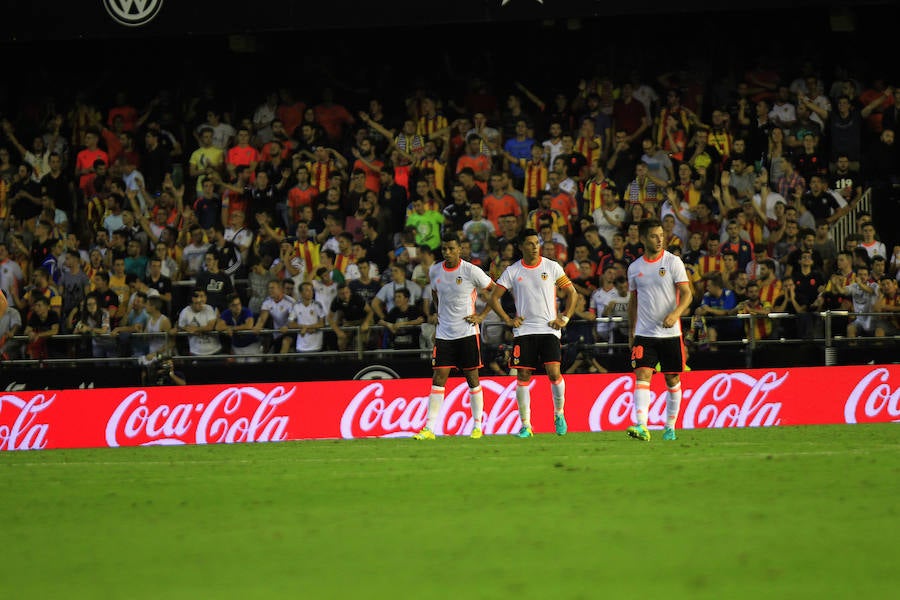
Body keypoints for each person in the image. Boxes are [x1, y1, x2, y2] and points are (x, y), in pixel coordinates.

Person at [486, 229, 577, 437]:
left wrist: (565, 318)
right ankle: (526, 425)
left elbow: (572, 293)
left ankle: (559, 414)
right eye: (530, 243)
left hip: (549, 329)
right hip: (524, 330)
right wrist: (508, 320)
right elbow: (493, 298)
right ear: (521, 246)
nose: (535, 246)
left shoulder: (551, 267)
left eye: (537, 243)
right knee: (523, 376)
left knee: (554, 374)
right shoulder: (513, 271)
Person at [412, 235, 496, 440]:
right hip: (444, 334)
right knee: (439, 377)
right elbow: (434, 292)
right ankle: (429, 428)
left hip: (467, 332)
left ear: (459, 249)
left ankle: (477, 426)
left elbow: (496, 290)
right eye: (444, 249)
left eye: (451, 248)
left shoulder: (471, 270)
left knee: (472, 378)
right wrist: (436, 311)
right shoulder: (435, 270)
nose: (447, 252)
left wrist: (482, 315)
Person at [625, 218, 693, 441]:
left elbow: (687, 294)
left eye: (661, 235)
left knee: (672, 379)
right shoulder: (634, 268)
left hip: (671, 334)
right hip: (645, 333)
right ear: (644, 238)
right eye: (654, 236)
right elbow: (634, 301)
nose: (660, 239)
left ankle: (670, 426)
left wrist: (675, 314)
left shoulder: (673, 262)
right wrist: (631, 331)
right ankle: (641, 425)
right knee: (642, 374)